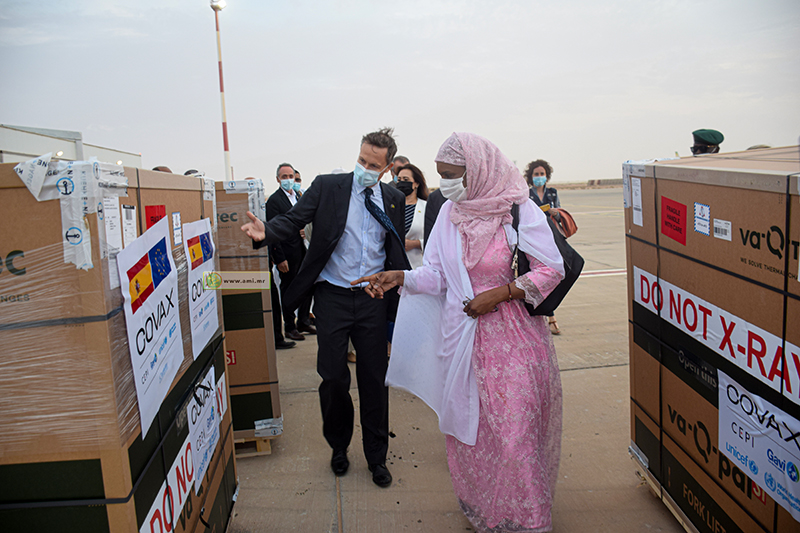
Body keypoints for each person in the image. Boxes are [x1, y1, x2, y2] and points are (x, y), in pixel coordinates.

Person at [353, 132, 565, 532]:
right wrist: (402, 277)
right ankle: (487, 510)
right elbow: (438, 275)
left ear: (478, 171)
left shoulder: (517, 210)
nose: (446, 183)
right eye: (440, 175)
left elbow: (551, 270)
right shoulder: (451, 214)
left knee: (514, 435)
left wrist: (500, 294)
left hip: (513, 340)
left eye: (452, 175)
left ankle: (528, 521)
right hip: (463, 341)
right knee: (474, 435)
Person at [241, 128, 410, 487]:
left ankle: (376, 457)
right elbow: (294, 220)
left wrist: (397, 285)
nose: (365, 167)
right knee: (333, 377)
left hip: (371, 299)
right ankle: (339, 446)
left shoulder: (392, 199)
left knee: (373, 380)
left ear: (386, 168)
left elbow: (394, 249)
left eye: (373, 164)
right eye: (362, 159)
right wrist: (267, 232)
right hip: (332, 296)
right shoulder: (329, 186)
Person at [266, 163, 316, 341]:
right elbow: (273, 231)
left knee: (306, 285)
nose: (288, 180)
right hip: (287, 253)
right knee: (289, 289)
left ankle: (303, 320)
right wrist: (279, 258)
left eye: (291, 176)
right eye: (284, 176)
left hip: (302, 249)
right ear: (278, 179)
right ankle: (289, 325)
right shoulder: (274, 201)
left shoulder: (299, 196)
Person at [525, 159, 562, 335]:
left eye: (542, 174)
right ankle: (548, 316)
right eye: (536, 174)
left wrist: (556, 213)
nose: (539, 177)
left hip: (552, 238)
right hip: (535, 241)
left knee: (553, 278)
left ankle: (551, 315)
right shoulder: (527, 194)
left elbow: (561, 214)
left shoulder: (553, 194)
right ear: (530, 177)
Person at [395, 163, 429, 269]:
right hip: (394, 268)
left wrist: (416, 243)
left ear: (416, 183)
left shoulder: (426, 207)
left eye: (406, 179)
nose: (402, 183)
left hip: (418, 266)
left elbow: (436, 238)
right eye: (399, 180)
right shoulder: (391, 207)